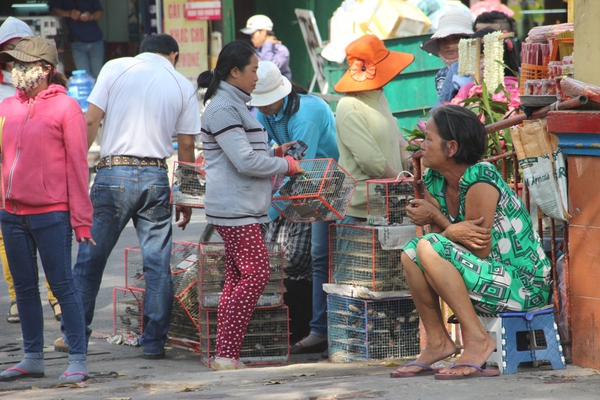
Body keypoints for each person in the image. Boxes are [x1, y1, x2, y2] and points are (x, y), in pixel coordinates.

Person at [54, 33, 201, 360]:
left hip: (113, 174)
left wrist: (75, 171)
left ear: (141, 52)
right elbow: (187, 145)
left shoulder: (115, 67)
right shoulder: (181, 83)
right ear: (173, 55)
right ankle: (153, 343)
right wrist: (187, 197)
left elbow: (91, 120)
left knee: (91, 258)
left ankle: (74, 335)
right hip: (155, 176)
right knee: (157, 264)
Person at [391, 105, 551, 379]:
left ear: (451, 147)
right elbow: (445, 243)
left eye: (429, 139)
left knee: (428, 245)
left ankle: (478, 339)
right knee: (411, 253)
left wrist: (439, 221)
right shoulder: (435, 179)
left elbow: (479, 247)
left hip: (523, 286)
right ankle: (439, 341)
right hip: (486, 279)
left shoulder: (480, 177)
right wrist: (444, 226)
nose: (421, 146)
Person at [198, 40, 303, 371]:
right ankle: (226, 354)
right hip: (236, 208)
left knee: (237, 278)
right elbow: (243, 161)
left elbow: (245, 155)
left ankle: (225, 355)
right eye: (254, 70)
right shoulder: (223, 109)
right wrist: (286, 167)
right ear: (235, 72)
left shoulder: (235, 106)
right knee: (256, 274)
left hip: (243, 206)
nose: (257, 77)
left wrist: (275, 154)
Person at [0, 36, 94, 383]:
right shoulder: (6, 107)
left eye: (23, 65)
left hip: (52, 213)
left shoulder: (66, 108)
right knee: (24, 288)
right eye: (13, 64)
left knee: (62, 285)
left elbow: (77, 167)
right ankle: (31, 357)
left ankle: (79, 359)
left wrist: (82, 221)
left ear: (45, 70)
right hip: (10, 214)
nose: (15, 70)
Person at [250, 60, 339, 354]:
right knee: (314, 258)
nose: (261, 108)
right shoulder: (264, 113)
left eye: (265, 102)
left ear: (281, 92)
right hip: (298, 179)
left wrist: (267, 213)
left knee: (318, 256)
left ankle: (320, 330)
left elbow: (299, 169)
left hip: (328, 182)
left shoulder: (308, 114)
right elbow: (262, 151)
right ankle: (318, 328)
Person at [0, 17, 64, 324]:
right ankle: (18, 300)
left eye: (19, 50)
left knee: (52, 249)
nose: (15, 61)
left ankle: (58, 298)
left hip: (46, 190)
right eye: (8, 53)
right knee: (9, 245)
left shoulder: (56, 99)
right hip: (7, 184)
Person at [333, 34, 414, 222]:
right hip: (360, 210)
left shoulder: (379, 97)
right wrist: (402, 181)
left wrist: (409, 161)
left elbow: (395, 134)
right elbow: (371, 162)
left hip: (390, 201)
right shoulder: (349, 105)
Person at [434, 10, 518, 108]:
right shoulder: (464, 87)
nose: (449, 45)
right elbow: (442, 108)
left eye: (455, 39)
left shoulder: (514, 85)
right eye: (479, 57)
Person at [421, 8, 473, 95]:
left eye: (455, 39)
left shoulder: (478, 69)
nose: (449, 45)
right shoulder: (441, 75)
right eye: (444, 40)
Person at [49, 0, 104, 78]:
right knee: (83, 75)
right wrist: (69, 13)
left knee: (98, 74)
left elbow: (100, 12)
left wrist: (91, 16)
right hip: (77, 43)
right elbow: (54, 10)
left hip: (95, 41)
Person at [241, 14, 291, 80]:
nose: (252, 39)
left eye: (253, 35)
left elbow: (269, 69)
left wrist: (267, 44)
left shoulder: (281, 50)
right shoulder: (256, 51)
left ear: (263, 32)